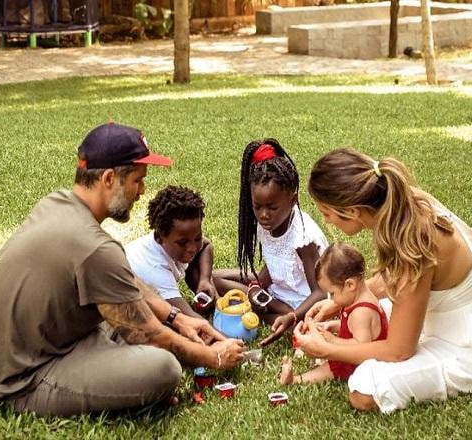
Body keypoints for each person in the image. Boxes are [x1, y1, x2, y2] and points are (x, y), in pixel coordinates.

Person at [0, 122, 244, 417]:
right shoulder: (95, 248)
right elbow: (151, 336)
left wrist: (177, 318)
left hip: (40, 348)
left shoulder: (57, 203)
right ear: (109, 178)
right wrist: (215, 356)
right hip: (23, 381)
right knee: (164, 366)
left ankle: (125, 381)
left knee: (148, 327)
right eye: (137, 181)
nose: (141, 191)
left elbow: (123, 283)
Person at [294, 148, 472, 413]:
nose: (325, 221)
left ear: (353, 211)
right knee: (365, 316)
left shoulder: (413, 239)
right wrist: (342, 302)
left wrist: (327, 349)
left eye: (326, 213)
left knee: (365, 389)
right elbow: (395, 281)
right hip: (449, 312)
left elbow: (399, 350)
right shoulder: (400, 202)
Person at [213, 139, 328, 346]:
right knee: (213, 278)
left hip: (303, 304)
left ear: (292, 201)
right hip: (276, 294)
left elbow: (321, 293)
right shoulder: (266, 224)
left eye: (272, 208)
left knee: (292, 326)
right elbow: (275, 263)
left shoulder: (303, 237)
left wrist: (292, 316)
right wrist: (256, 287)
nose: (264, 215)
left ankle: (276, 317)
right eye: (257, 207)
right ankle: (260, 307)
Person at [280, 242, 388, 385]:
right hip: (359, 355)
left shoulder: (361, 312)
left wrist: (332, 340)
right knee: (329, 362)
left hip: (361, 363)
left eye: (332, 293)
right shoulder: (357, 300)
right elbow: (356, 328)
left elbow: (361, 346)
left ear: (350, 285)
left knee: (330, 368)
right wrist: (332, 325)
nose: (331, 299)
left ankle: (295, 380)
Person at [125, 185, 218, 318]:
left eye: (197, 238)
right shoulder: (156, 271)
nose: (192, 248)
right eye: (182, 243)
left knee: (207, 275)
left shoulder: (170, 241)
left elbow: (206, 245)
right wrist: (230, 339)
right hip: (126, 313)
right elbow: (188, 318)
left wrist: (204, 280)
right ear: (159, 237)